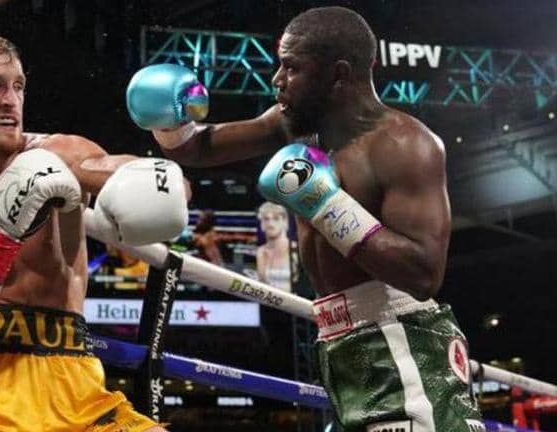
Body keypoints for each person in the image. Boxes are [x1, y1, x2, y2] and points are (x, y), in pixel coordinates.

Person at [126, 7, 483, 432]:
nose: (277, 79)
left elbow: (423, 274)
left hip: (402, 338)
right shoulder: (293, 126)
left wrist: (325, 203)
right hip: (338, 341)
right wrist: (171, 122)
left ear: (338, 75)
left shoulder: (406, 145)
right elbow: (199, 149)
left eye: (292, 68)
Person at [0, 32, 188, 432]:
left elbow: (164, 184)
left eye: (18, 86)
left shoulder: (58, 155)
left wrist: (162, 181)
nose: (10, 101)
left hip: (78, 394)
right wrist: (2, 234)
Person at [255, 202, 291, 292]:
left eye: (276, 218)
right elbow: (262, 286)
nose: (270, 224)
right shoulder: (261, 252)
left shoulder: (294, 249)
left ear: (284, 222)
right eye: (266, 219)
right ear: (262, 224)